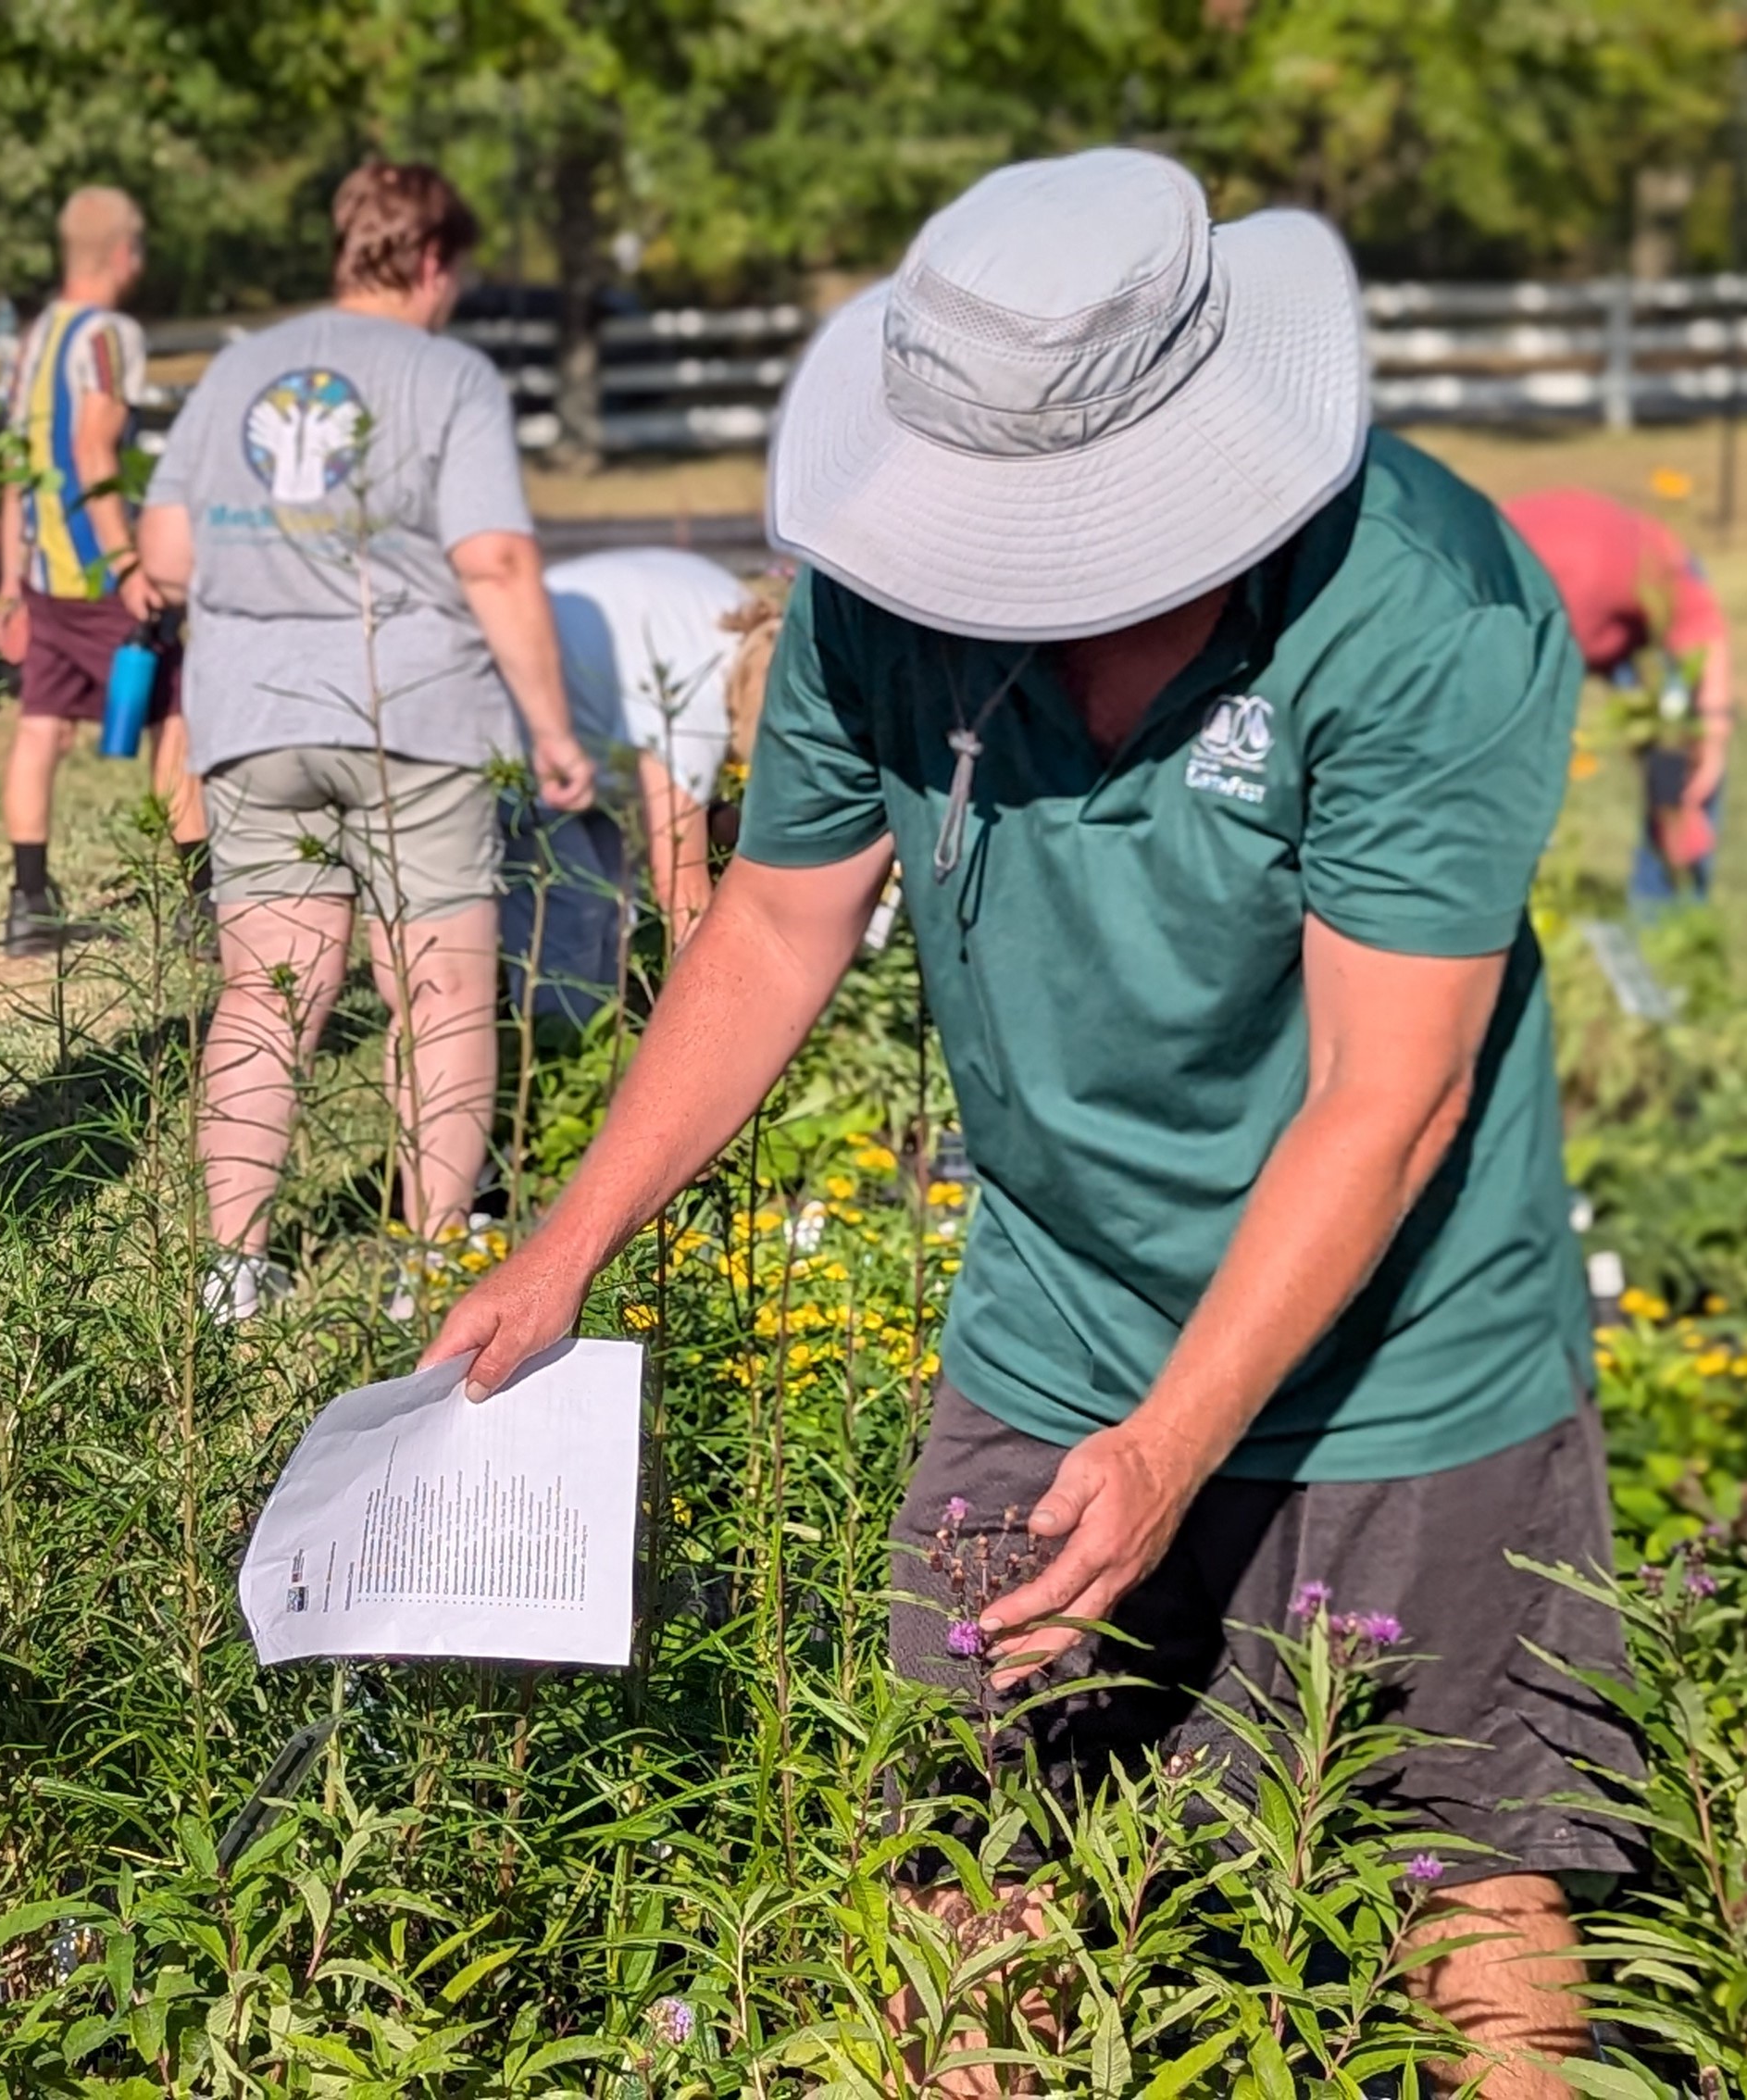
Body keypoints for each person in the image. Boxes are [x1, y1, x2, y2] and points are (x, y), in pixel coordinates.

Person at [431, 151, 1635, 2098]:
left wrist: (1168, 1451)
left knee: (1465, 1867)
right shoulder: (876, 595)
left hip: (1412, 1363)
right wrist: (565, 1241)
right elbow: (773, 914)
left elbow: (1384, 1101)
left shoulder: (1419, 604)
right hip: (1056, 1318)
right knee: (970, 1848)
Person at [137, 162, 592, 1320]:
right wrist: (551, 728)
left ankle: (233, 1265)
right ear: (435, 263)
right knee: (435, 991)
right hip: (413, 718)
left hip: (253, 722)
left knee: (265, 994)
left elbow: (169, 555)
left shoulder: (238, 371)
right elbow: (493, 558)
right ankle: (429, 1261)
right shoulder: (448, 377)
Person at [0, 186, 208, 955]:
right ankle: (200, 900)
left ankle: (28, 901)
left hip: (47, 573)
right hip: (107, 572)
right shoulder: (110, 337)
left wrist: (10, 582)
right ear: (123, 253)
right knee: (174, 716)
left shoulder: (39, 335)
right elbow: (92, 450)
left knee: (41, 727)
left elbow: (18, 467)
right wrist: (127, 562)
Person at [505, 545, 758, 1023]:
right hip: (514, 729)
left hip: (577, 725)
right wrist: (724, 1020)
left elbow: (685, 803)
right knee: (572, 906)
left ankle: (595, 1046)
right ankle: (562, 1053)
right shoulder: (694, 708)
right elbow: (681, 890)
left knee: (609, 904)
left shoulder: (733, 615)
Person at [1504, 488, 1732, 906]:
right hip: (1565, 608)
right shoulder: (1481, 576)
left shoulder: (1630, 570)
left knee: (1680, 767)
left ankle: (1669, 909)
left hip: (1642, 600)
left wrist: (1711, 732)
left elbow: (1701, 631)